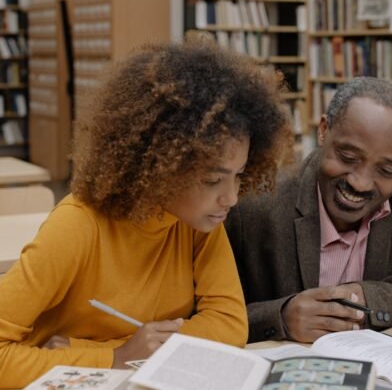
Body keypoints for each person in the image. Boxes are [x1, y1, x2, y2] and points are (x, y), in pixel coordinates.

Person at [0, 38, 293, 388]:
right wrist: (113, 357)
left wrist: (128, 353)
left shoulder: (199, 224)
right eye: (213, 179)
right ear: (159, 166)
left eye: (239, 175)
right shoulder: (77, 225)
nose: (230, 198)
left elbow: (230, 325)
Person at [226, 76, 392, 344]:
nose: (361, 182)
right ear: (323, 131)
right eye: (348, 157)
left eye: (386, 170)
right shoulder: (253, 202)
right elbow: (207, 314)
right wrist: (280, 317)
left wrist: (374, 300)